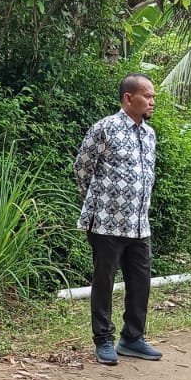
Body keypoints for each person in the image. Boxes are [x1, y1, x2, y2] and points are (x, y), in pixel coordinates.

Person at [75, 74, 161, 365]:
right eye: (147, 96)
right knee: (105, 280)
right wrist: (100, 202)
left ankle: (132, 338)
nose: (152, 101)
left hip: (139, 224)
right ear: (128, 98)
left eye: (153, 96)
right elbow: (82, 169)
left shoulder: (149, 134)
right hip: (106, 222)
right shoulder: (105, 128)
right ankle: (103, 339)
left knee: (140, 281)